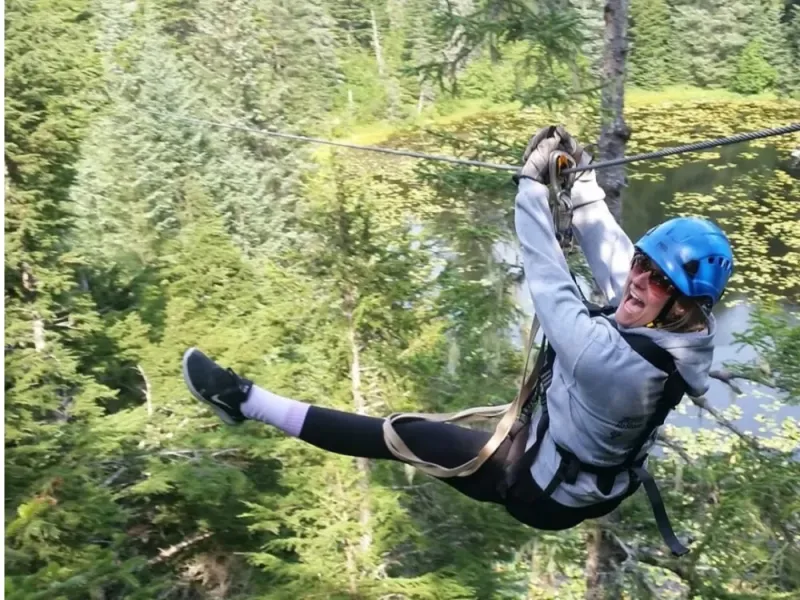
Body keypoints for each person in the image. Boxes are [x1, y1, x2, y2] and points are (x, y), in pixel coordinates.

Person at [181, 126, 733, 540]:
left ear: (682, 304)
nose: (638, 280)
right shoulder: (676, 324)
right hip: (565, 454)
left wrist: (531, 187)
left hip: (540, 493)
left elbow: (550, 284)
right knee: (419, 434)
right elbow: (611, 249)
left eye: (657, 279)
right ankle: (247, 401)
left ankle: (243, 400)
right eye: (643, 263)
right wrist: (581, 179)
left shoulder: (613, 364)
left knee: (401, 435)